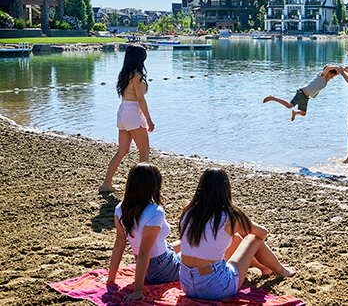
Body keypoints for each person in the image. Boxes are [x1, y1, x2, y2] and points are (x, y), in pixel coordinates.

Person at [178, 168, 296, 300]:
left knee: (234, 238)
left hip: (187, 284)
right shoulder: (229, 216)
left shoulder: (189, 211)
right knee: (253, 239)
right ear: (225, 190)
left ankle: (265, 268)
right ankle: (281, 271)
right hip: (215, 288)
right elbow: (263, 233)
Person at [97, 163, 181, 302]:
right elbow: (144, 253)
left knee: (185, 242)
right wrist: (138, 291)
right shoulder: (155, 212)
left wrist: (110, 279)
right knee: (194, 253)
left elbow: (119, 243)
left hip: (149, 264)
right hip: (161, 269)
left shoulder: (121, 208)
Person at [100, 44, 154, 192]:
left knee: (122, 150)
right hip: (133, 112)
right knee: (144, 151)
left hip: (123, 110)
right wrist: (149, 119)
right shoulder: (136, 75)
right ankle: (142, 188)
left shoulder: (124, 73)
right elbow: (140, 99)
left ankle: (106, 183)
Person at [263, 64, 339, 121]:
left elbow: (338, 73)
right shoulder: (321, 76)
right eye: (331, 75)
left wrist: (343, 69)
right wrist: (336, 67)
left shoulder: (326, 80)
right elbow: (328, 68)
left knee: (303, 113)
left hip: (306, 97)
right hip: (301, 93)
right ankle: (272, 98)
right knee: (289, 105)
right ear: (327, 72)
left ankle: (295, 113)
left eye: (333, 76)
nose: (332, 77)